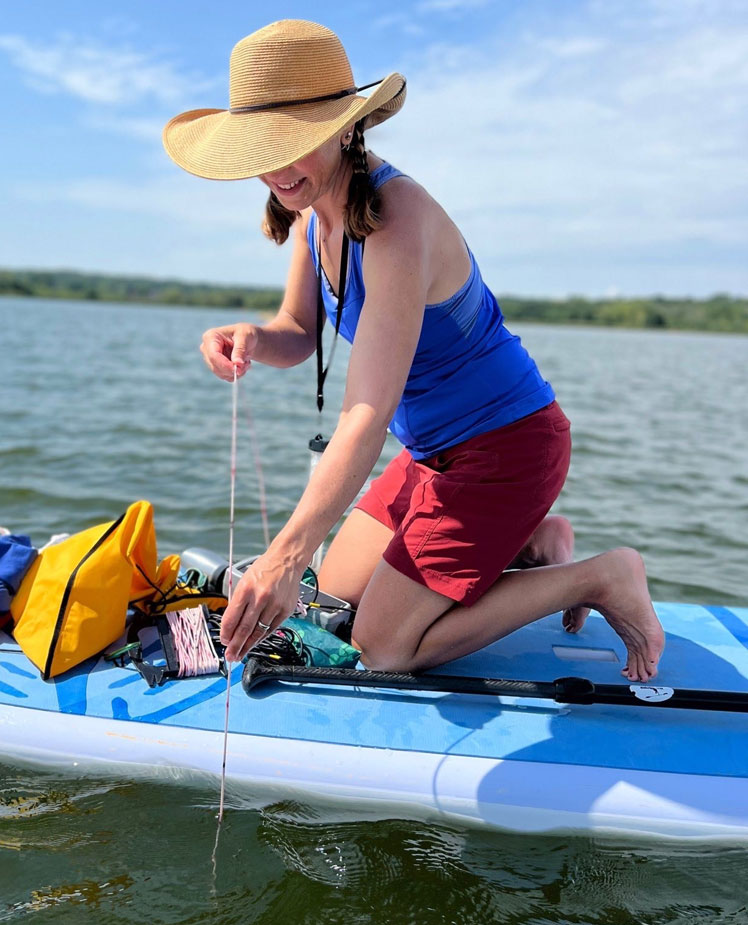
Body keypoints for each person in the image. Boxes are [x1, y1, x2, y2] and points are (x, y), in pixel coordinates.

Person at [163, 20, 664, 680]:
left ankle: (599, 577)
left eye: (294, 143)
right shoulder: (317, 216)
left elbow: (367, 411)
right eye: (263, 146)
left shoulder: (396, 220)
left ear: (344, 126)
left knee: (383, 648)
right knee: (338, 593)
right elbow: (297, 329)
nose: (277, 168)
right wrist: (255, 339)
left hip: (508, 448)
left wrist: (286, 553)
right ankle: (532, 542)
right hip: (434, 456)